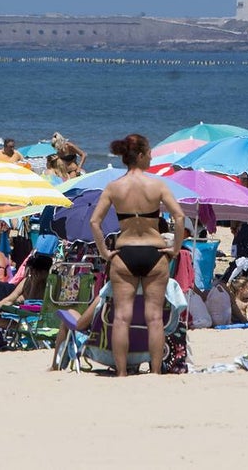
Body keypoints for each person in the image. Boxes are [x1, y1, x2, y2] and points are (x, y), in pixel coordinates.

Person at [89, 133, 185, 377]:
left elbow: (94, 222)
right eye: (150, 151)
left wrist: (104, 252)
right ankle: (154, 372)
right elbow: (179, 217)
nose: (152, 155)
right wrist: (175, 248)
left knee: (121, 317)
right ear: (140, 155)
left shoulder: (114, 187)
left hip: (125, 251)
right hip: (154, 252)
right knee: (154, 318)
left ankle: (121, 373)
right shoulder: (157, 185)